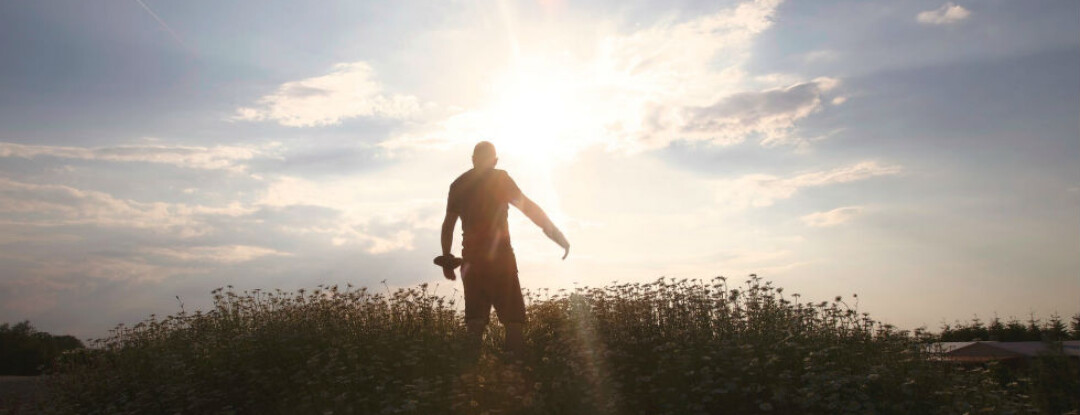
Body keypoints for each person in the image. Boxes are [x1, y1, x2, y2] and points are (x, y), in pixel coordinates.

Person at [438, 141, 570, 358]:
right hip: (502, 258)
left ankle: (469, 377)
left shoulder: (458, 185)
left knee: (475, 320)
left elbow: (448, 225)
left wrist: (446, 258)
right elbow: (529, 209)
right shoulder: (501, 180)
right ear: (495, 160)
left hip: (472, 259)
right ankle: (514, 371)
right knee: (513, 320)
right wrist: (557, 236)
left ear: (473, 159)